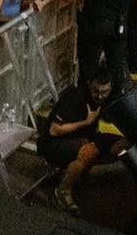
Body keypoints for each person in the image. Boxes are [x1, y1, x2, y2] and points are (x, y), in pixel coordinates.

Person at [38, 73, 113, 212]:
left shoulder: (105, 99)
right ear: (90, 83)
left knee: (118, 145)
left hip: (84, 138)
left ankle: (80, 173)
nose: (100, 96)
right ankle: (63, 191)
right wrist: (86, 122)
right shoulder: (74, 97)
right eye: (96, 91)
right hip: (54, 144)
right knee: (87, 150)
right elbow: (54, 130)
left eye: (104, 92)